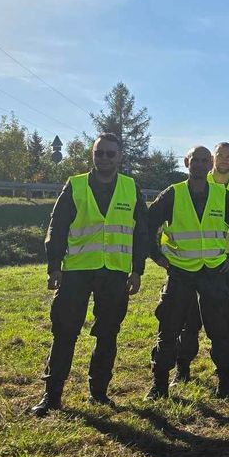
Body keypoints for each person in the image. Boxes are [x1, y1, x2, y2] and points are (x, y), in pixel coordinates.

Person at [32, 133, 148, 416]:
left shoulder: (131, 188)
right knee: (65, 332)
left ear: (120, 156)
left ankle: (99, 394)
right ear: (92, 155)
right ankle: (52, 396)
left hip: (115, 272)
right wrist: (54, 266)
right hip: (76, 271)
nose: (105, 158)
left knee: (108, 334)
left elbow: (141, 232)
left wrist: (137, 270)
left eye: (110, 153)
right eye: (100, 153)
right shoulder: (76, 185)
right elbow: (57, 227)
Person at [146, 146, 229, 400]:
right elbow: (147, 224)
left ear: (210, 163)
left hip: (213, 272)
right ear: (187, 162)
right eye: (196, 160)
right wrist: (156, 255)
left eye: (205, 160)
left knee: (222, 330)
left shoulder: (221, 195)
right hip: (179, 272)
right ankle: (159, 385)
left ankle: (225, 384)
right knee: (168, 329)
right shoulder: (173, 193)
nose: (200, 164)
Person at [172, 142, 229, 378]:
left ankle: (227, 369)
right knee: (189, 319)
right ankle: (183, 367)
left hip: (228, 265)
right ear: (213, 158)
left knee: (225, 318)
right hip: (189, 265)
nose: (224, 160)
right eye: (220, 155)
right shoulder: (194, 183)